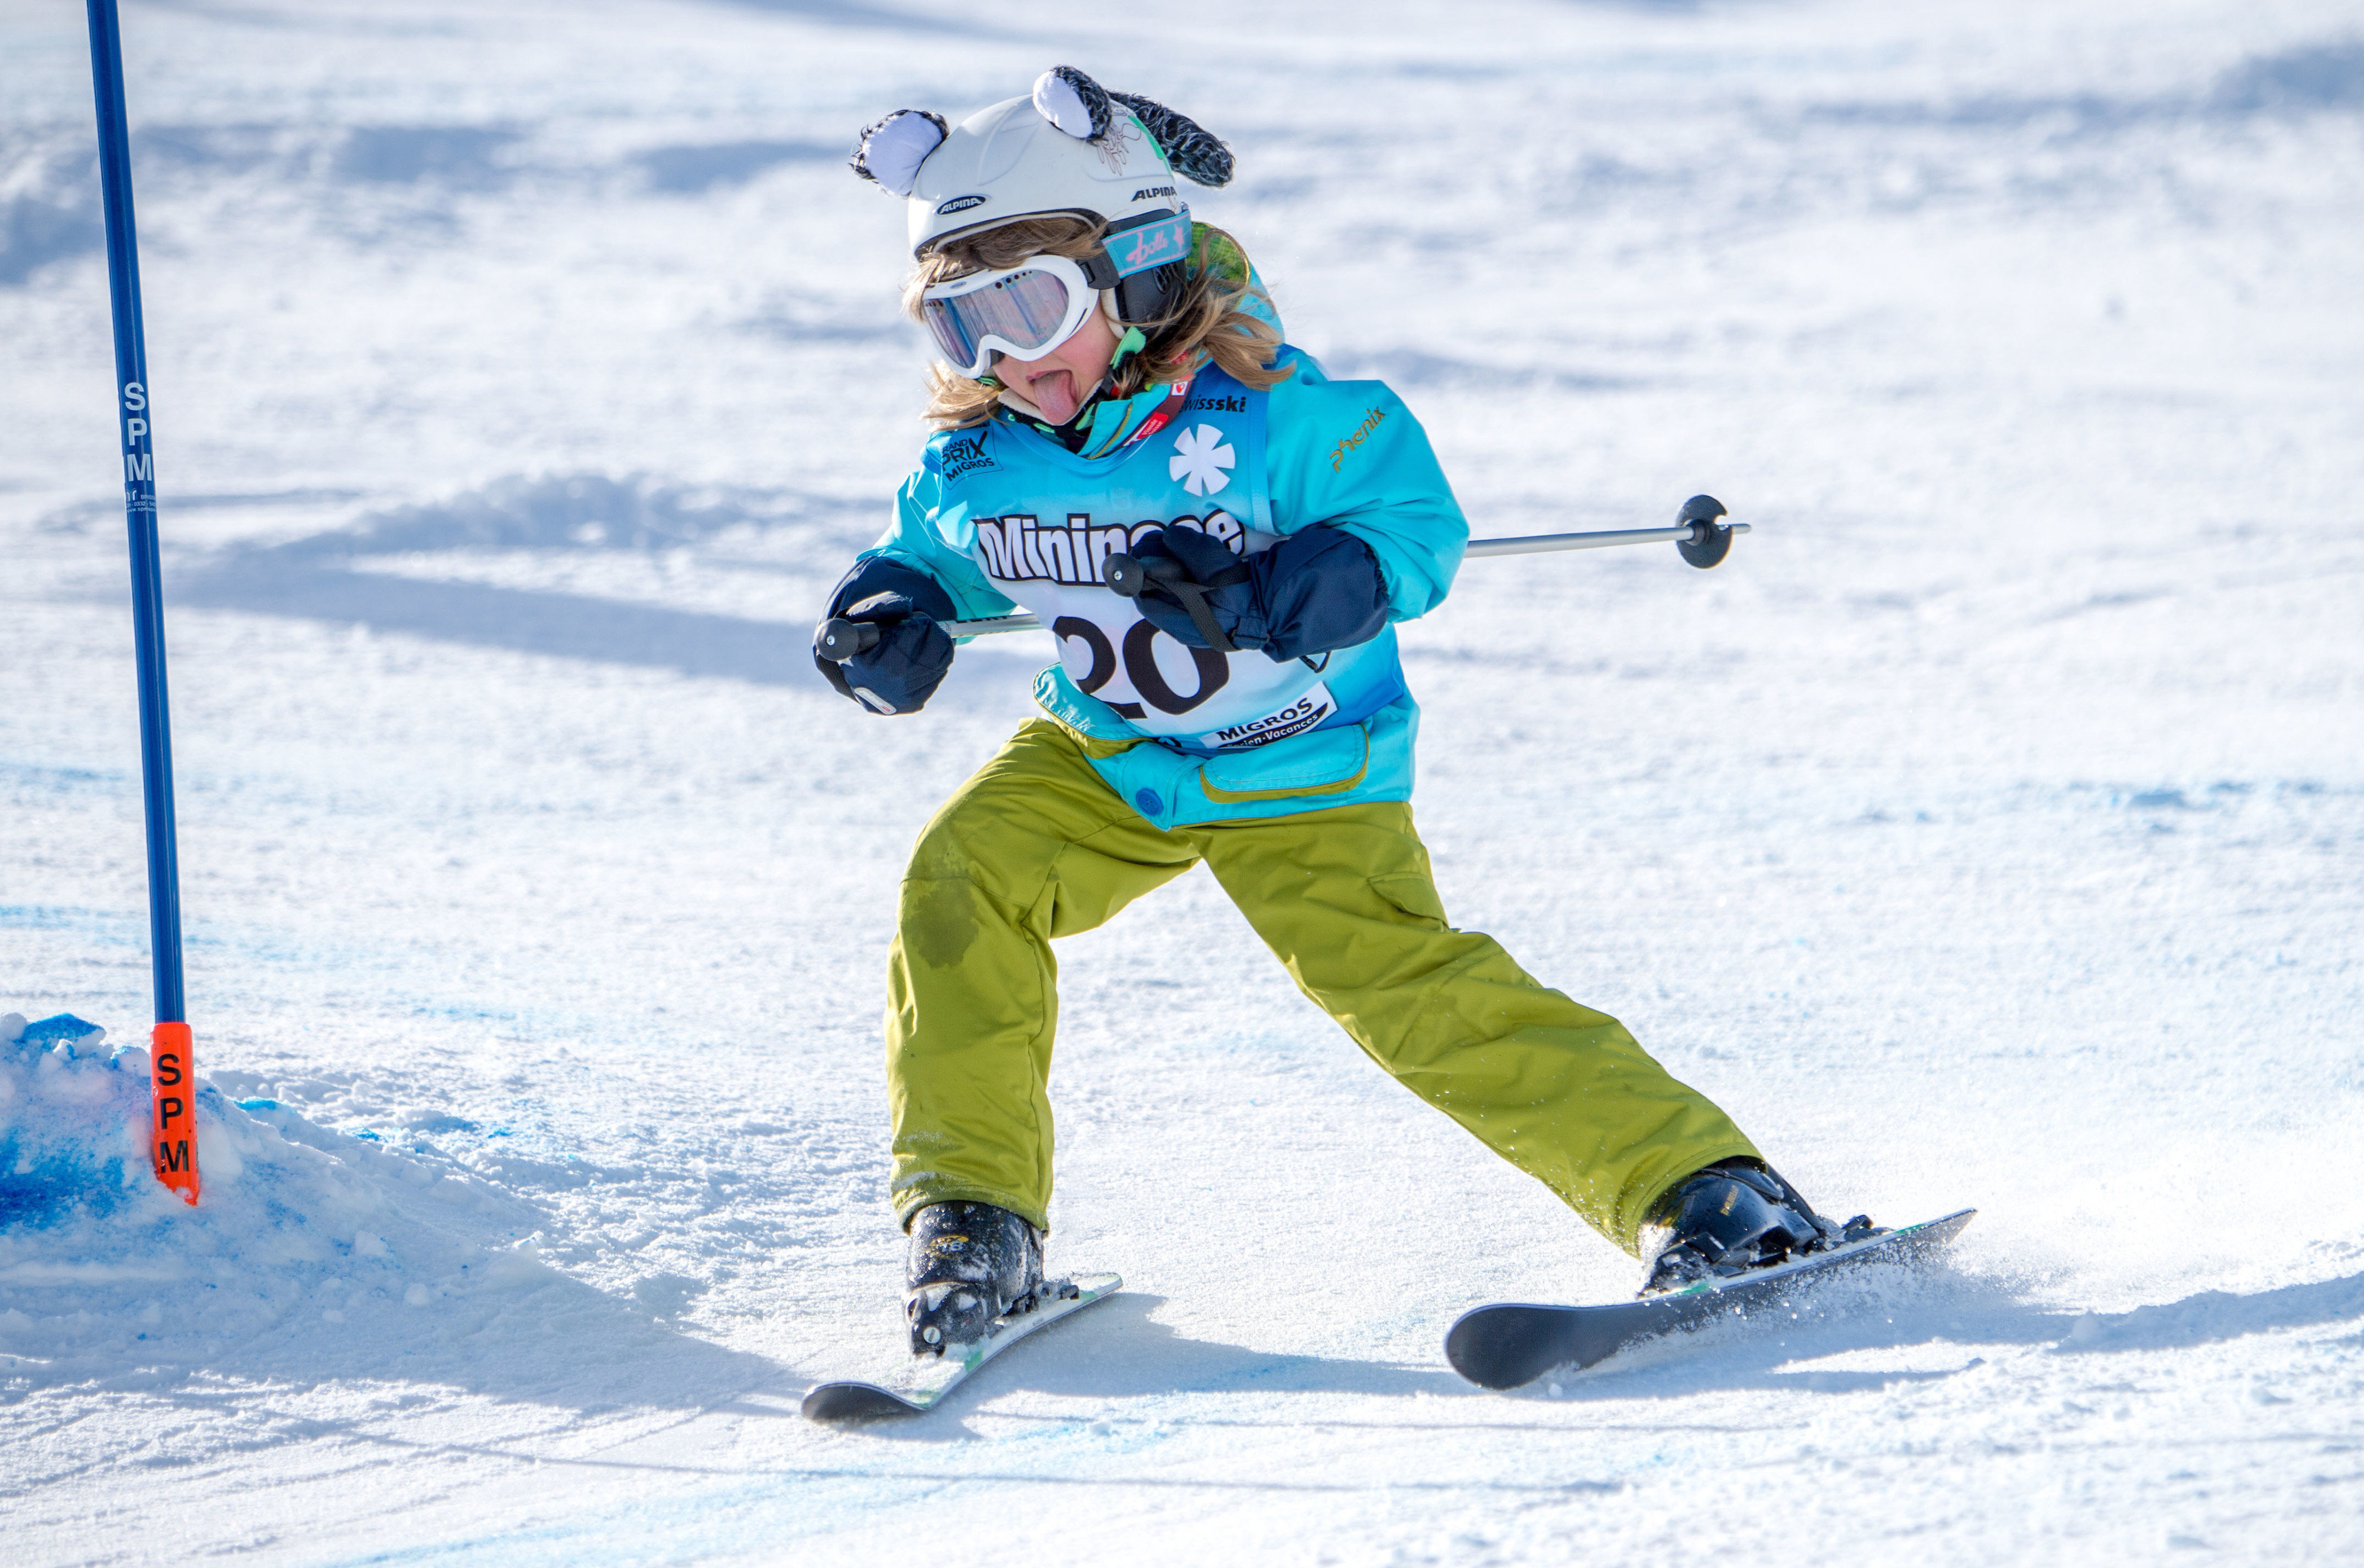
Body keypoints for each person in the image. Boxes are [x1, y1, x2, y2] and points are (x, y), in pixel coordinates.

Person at [818, 68, 1871, 1356]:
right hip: (1108, 755)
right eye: (955, 326)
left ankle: (1715, 1196)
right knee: (962, 878)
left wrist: (1308, 581)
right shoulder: (984, 453)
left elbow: (1416, 525)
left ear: (1137, 274)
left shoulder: (1272, 423)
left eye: (1030, 305)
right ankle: (974, 1226)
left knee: (1405, 986)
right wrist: (886, 607)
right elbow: (931, 551)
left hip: (1295, 763)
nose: (1000, 359)